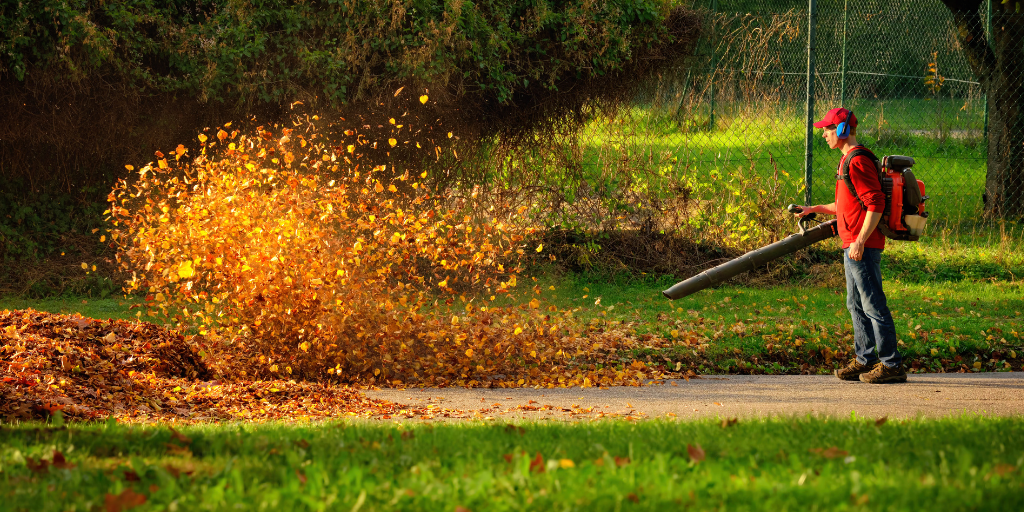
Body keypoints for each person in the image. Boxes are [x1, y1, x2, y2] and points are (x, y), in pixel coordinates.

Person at [796, 107, 906, 384]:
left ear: (842, 130)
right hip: (853, 244)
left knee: (873, 305)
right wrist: (815, 208)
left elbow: (875, 203)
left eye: (827, 129)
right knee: (855, 304)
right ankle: (865, 360)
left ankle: (891, 364)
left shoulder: (856, 161)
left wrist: (860, 240)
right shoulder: (847, 161)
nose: (823, 134)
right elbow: (848, 203)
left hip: (862, 246)